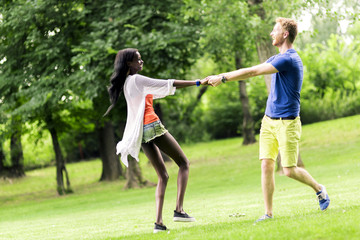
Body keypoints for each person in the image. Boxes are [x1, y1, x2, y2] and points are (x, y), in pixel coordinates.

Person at [206, 17, 330, 222]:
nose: (272, 34)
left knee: (289, 171)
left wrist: (223, 77)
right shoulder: (276, 57)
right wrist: (222, 75)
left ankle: (319, 189)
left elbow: (254, 71)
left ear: (285, 34)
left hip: (287, 123)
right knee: (266, 165)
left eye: (275, 30)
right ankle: (268, 213)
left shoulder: (288, 59)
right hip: (269, 120)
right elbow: (255, 67)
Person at [104, 48, 206, 233]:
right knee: (184, 163)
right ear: (129, 63)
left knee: (163, 175)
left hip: (141, 133)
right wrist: (198, 82)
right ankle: (179, 210)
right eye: (138, 59)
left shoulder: (128, 83)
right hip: (151, 125)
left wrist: (172, 87)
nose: (141, 62)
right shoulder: (136, 80)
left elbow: (161, 90)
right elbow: (167, 83)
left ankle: (158, 223)